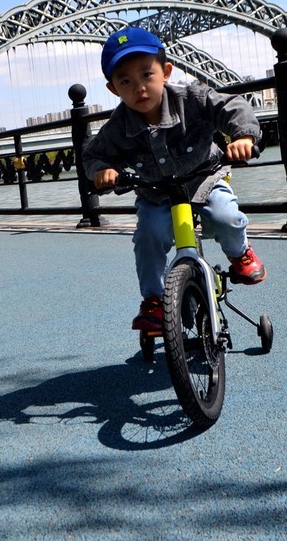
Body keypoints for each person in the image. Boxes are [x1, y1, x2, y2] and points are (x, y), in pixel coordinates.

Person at [83, 26, 267, 332]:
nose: (139, 87)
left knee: (225, 217)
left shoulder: (191, 98)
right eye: (125, 81)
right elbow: (92, 155)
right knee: (148, 238)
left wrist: (243, 135)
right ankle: (154, 301)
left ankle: (240, 253)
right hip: (156, 192)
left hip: (204, 179)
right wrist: (102, 170)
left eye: (146, 75)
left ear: (166, 72)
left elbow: (231, 106)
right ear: (114, 90)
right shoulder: (116, 127)